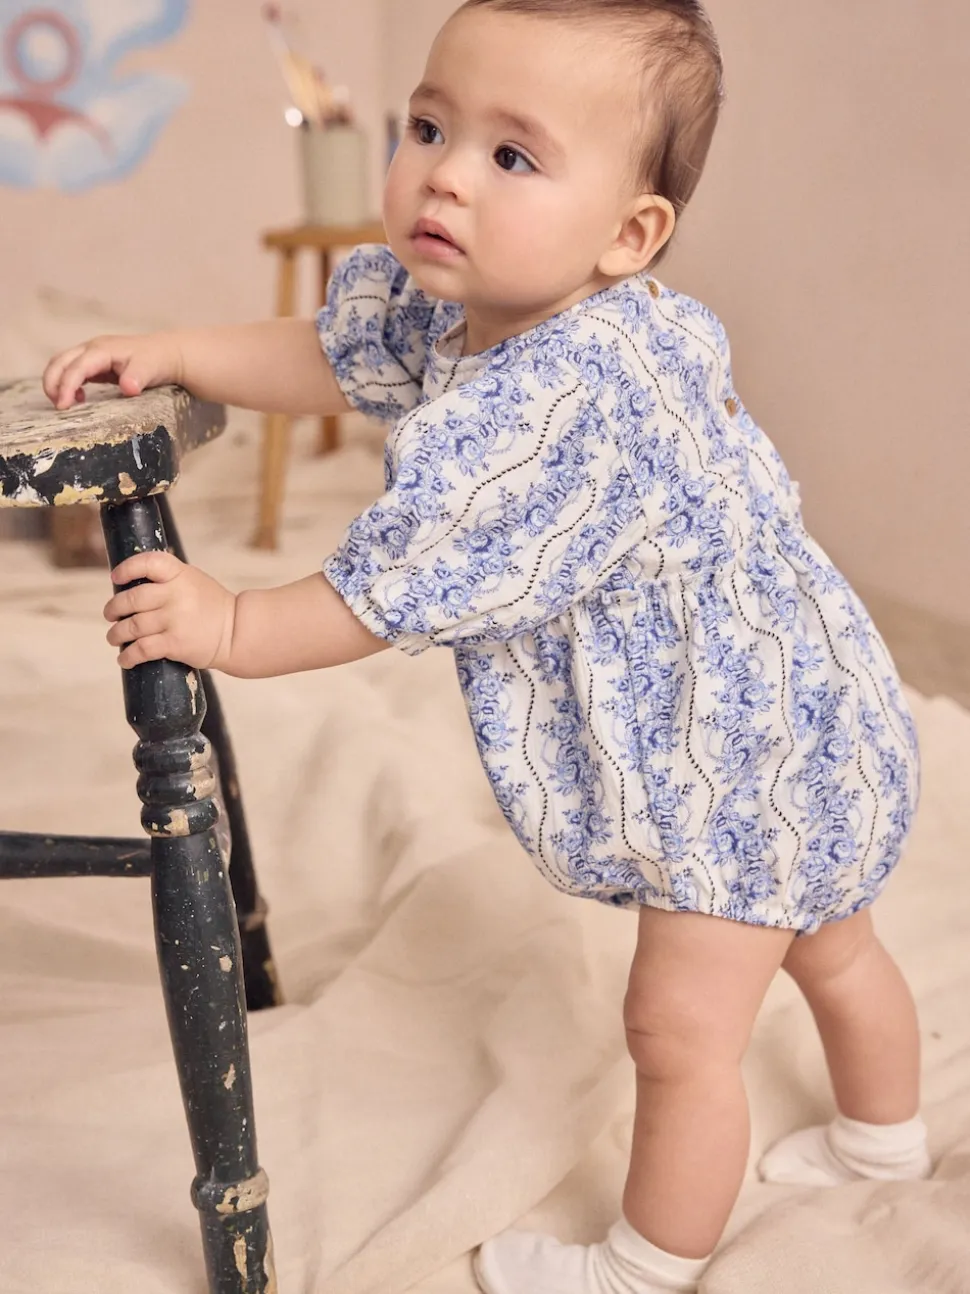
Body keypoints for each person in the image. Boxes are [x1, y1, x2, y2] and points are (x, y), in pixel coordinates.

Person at [42, 3, 932, 1291]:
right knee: (834, 943)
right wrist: (179, 353)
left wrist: (230, 622)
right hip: (812, 693)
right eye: (428, 126)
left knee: (677, 1031)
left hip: (733, 761)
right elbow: (330, 355)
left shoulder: (563, 402)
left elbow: (387, 591)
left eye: (512, 156)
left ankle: (649, 1263)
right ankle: (884, 1139)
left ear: (629, 235)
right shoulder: (474, 307)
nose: (446, 174)